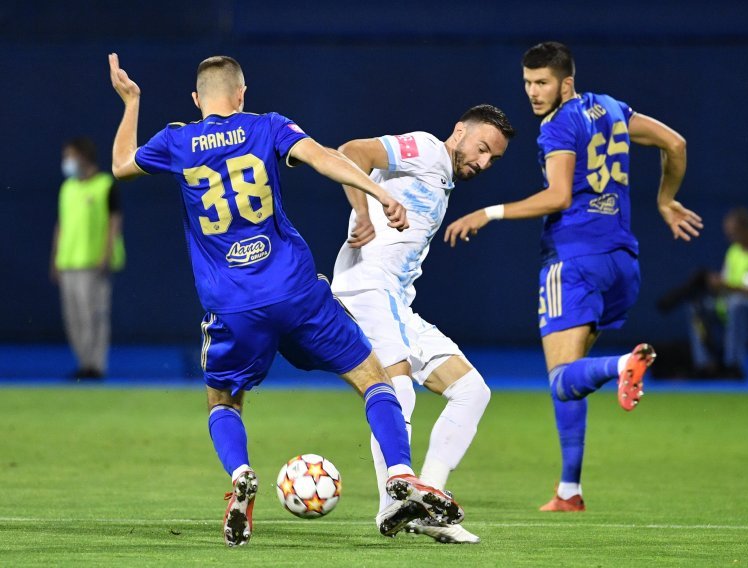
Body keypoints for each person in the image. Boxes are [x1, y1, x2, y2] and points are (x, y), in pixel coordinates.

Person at [108, 53, 465, 547]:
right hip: (296, 292)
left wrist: (132, 101)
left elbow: (122, 165)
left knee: (224, 401)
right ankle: (400, 473)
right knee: (373, 379)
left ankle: (239, 477)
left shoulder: (177, 140)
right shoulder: (268, 126)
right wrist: (378, 195)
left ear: (196, 100)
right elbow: (322, 155)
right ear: (241, 94)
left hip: (231, 304)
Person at [444, 42, 703, 511]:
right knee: (572, 377)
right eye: (527, 82)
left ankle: (624, 365)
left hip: (574, 260)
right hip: (622, 261)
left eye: (542, 82)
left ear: (566, 82)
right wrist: (666, 200)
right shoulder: (610, 108)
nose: (533, 92)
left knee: (563, 378)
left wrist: (489, 212)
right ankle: (569, 491)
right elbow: (676, 143)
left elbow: (559, 196)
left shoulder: (558, 126)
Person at [331, 105, 514, 543]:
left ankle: (425, 503)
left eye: (494, 159)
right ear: (459, 132)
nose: (484, 163)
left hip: (396, 301)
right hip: (367, 287)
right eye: (482, 148)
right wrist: (361, 211)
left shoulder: (442, 179)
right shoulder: (428, 150)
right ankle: (392, 505)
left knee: (472, 391)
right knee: (398, 391)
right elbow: (351, 151)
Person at [50, 137, 125, 380]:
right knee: (73, 318)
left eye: (69, 156)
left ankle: (96, 365)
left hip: (93, 263)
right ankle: (83, 363)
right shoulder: (67, 188)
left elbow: (115, 221)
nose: (66, 162)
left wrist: (106, 253)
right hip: (68, 261)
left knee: (94, 315)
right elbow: (61, 224)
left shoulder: (105, 185)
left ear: (83, 157)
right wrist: (55, 257)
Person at [685, 207, 748, 378]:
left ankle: (733, 366)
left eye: (733, 233)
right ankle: (705, 365)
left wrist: (729, 287)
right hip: (733, 307)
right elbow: (727, 285)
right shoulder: (733, 251)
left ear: (746, 229)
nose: (730, 237)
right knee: (697, 307)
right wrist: (716, 285)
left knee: (737, 304)